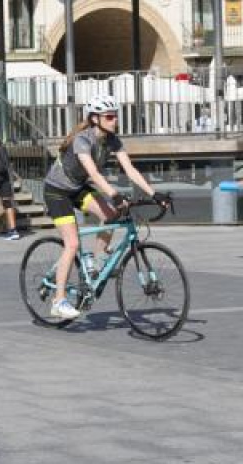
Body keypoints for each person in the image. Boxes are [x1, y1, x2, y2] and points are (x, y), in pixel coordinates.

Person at [42, 95, 159, 321]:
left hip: (77, 188)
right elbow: (94, 173)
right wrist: (114, 194)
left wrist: (155, 193)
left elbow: (130, 169)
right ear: (95, 119)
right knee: (73, 243)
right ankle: (58, 301)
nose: (115, 120)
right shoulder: (82, 140)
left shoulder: (112, 140)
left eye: (116, 116)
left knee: (112, 215)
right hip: (57, 191)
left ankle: (95, 261)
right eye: (109, 117)